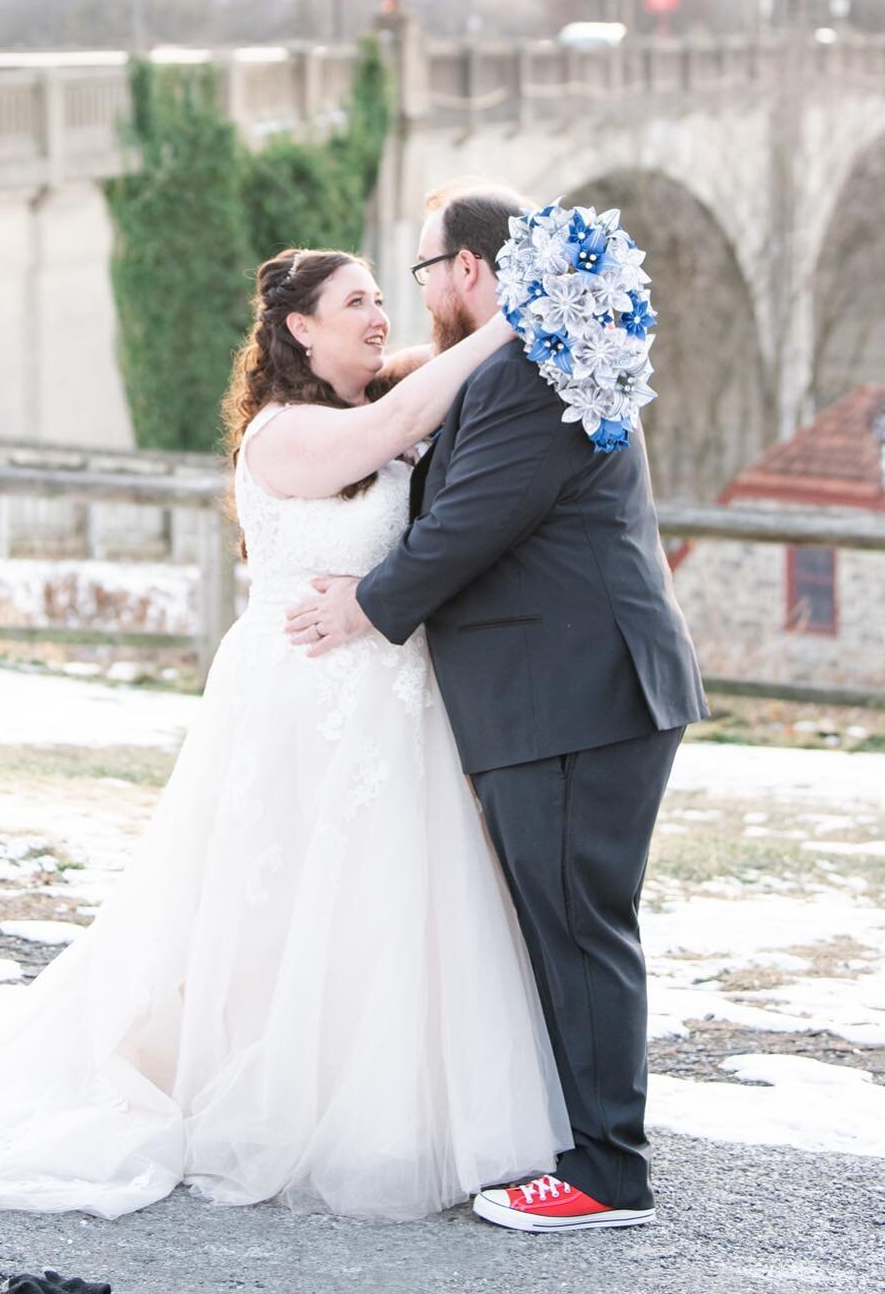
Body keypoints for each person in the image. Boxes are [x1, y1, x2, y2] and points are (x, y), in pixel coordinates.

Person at [0, 246, 570, 1223]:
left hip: (389, 707)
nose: (380, 315)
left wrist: (516, 327)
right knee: (273, 902)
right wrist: (516, 318)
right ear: (299, 329)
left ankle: (383, 1103)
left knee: (377, 904)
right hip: (297, 697)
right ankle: (257, 1092)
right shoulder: (283, 437)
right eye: (358, 302)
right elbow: (409, 414)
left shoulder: (364, 408)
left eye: (383, 297)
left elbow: (423, 391)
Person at [285, 184, 708, 1233]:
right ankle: (575, 1142)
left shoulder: (529, 369)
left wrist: (364, 608)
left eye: (425, 272)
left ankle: (608, 1173)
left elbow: (474, 521)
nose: (422, 291)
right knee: (562, 921)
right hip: (572, 691)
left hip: (575, 695)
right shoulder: (536, 355)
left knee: (576, 924)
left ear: (468, 270)